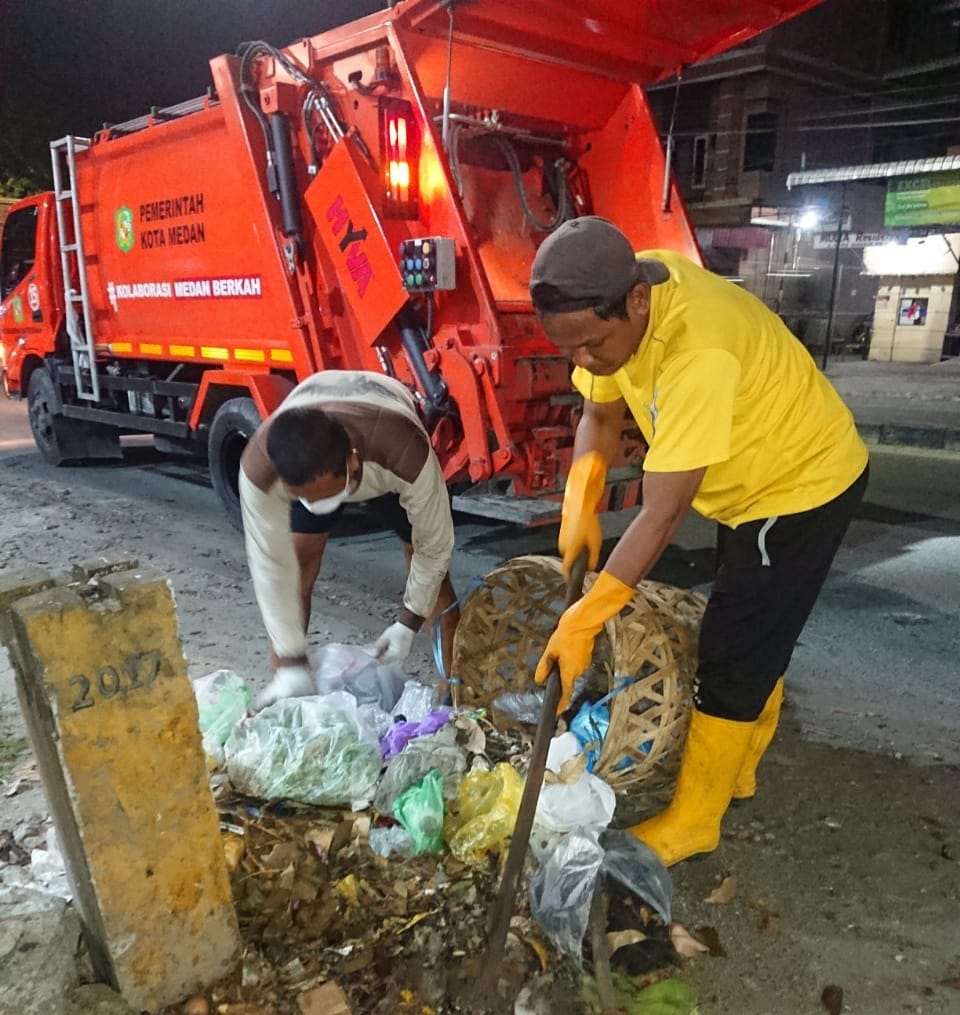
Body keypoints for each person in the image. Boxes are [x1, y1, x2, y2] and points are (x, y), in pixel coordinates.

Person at [529, 216, 869, 866]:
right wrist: (581, 495)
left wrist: (587, 617)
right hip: (746, 481)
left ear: (638, 301)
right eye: (569, 349)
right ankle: (736, 768)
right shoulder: (612, 295)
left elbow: (662, 514)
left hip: (800, 483)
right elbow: (599, 412)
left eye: (593, 344)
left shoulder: (696, 349)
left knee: (734, 647)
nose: (584, 360)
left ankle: (696, 820)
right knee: (759, 626)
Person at [239, 370, 459, 709]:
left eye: (326, 495)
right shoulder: (260, 468)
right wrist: (289, 661)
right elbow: (270, 567)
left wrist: (408, 622)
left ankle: (452, 692)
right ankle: (290, 693)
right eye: (306, 497)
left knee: (430, 572)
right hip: (320, 456)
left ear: (352, 462)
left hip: (384, 458)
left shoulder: (405, 451)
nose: (319, 504)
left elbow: (434, 547)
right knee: (298, 564)